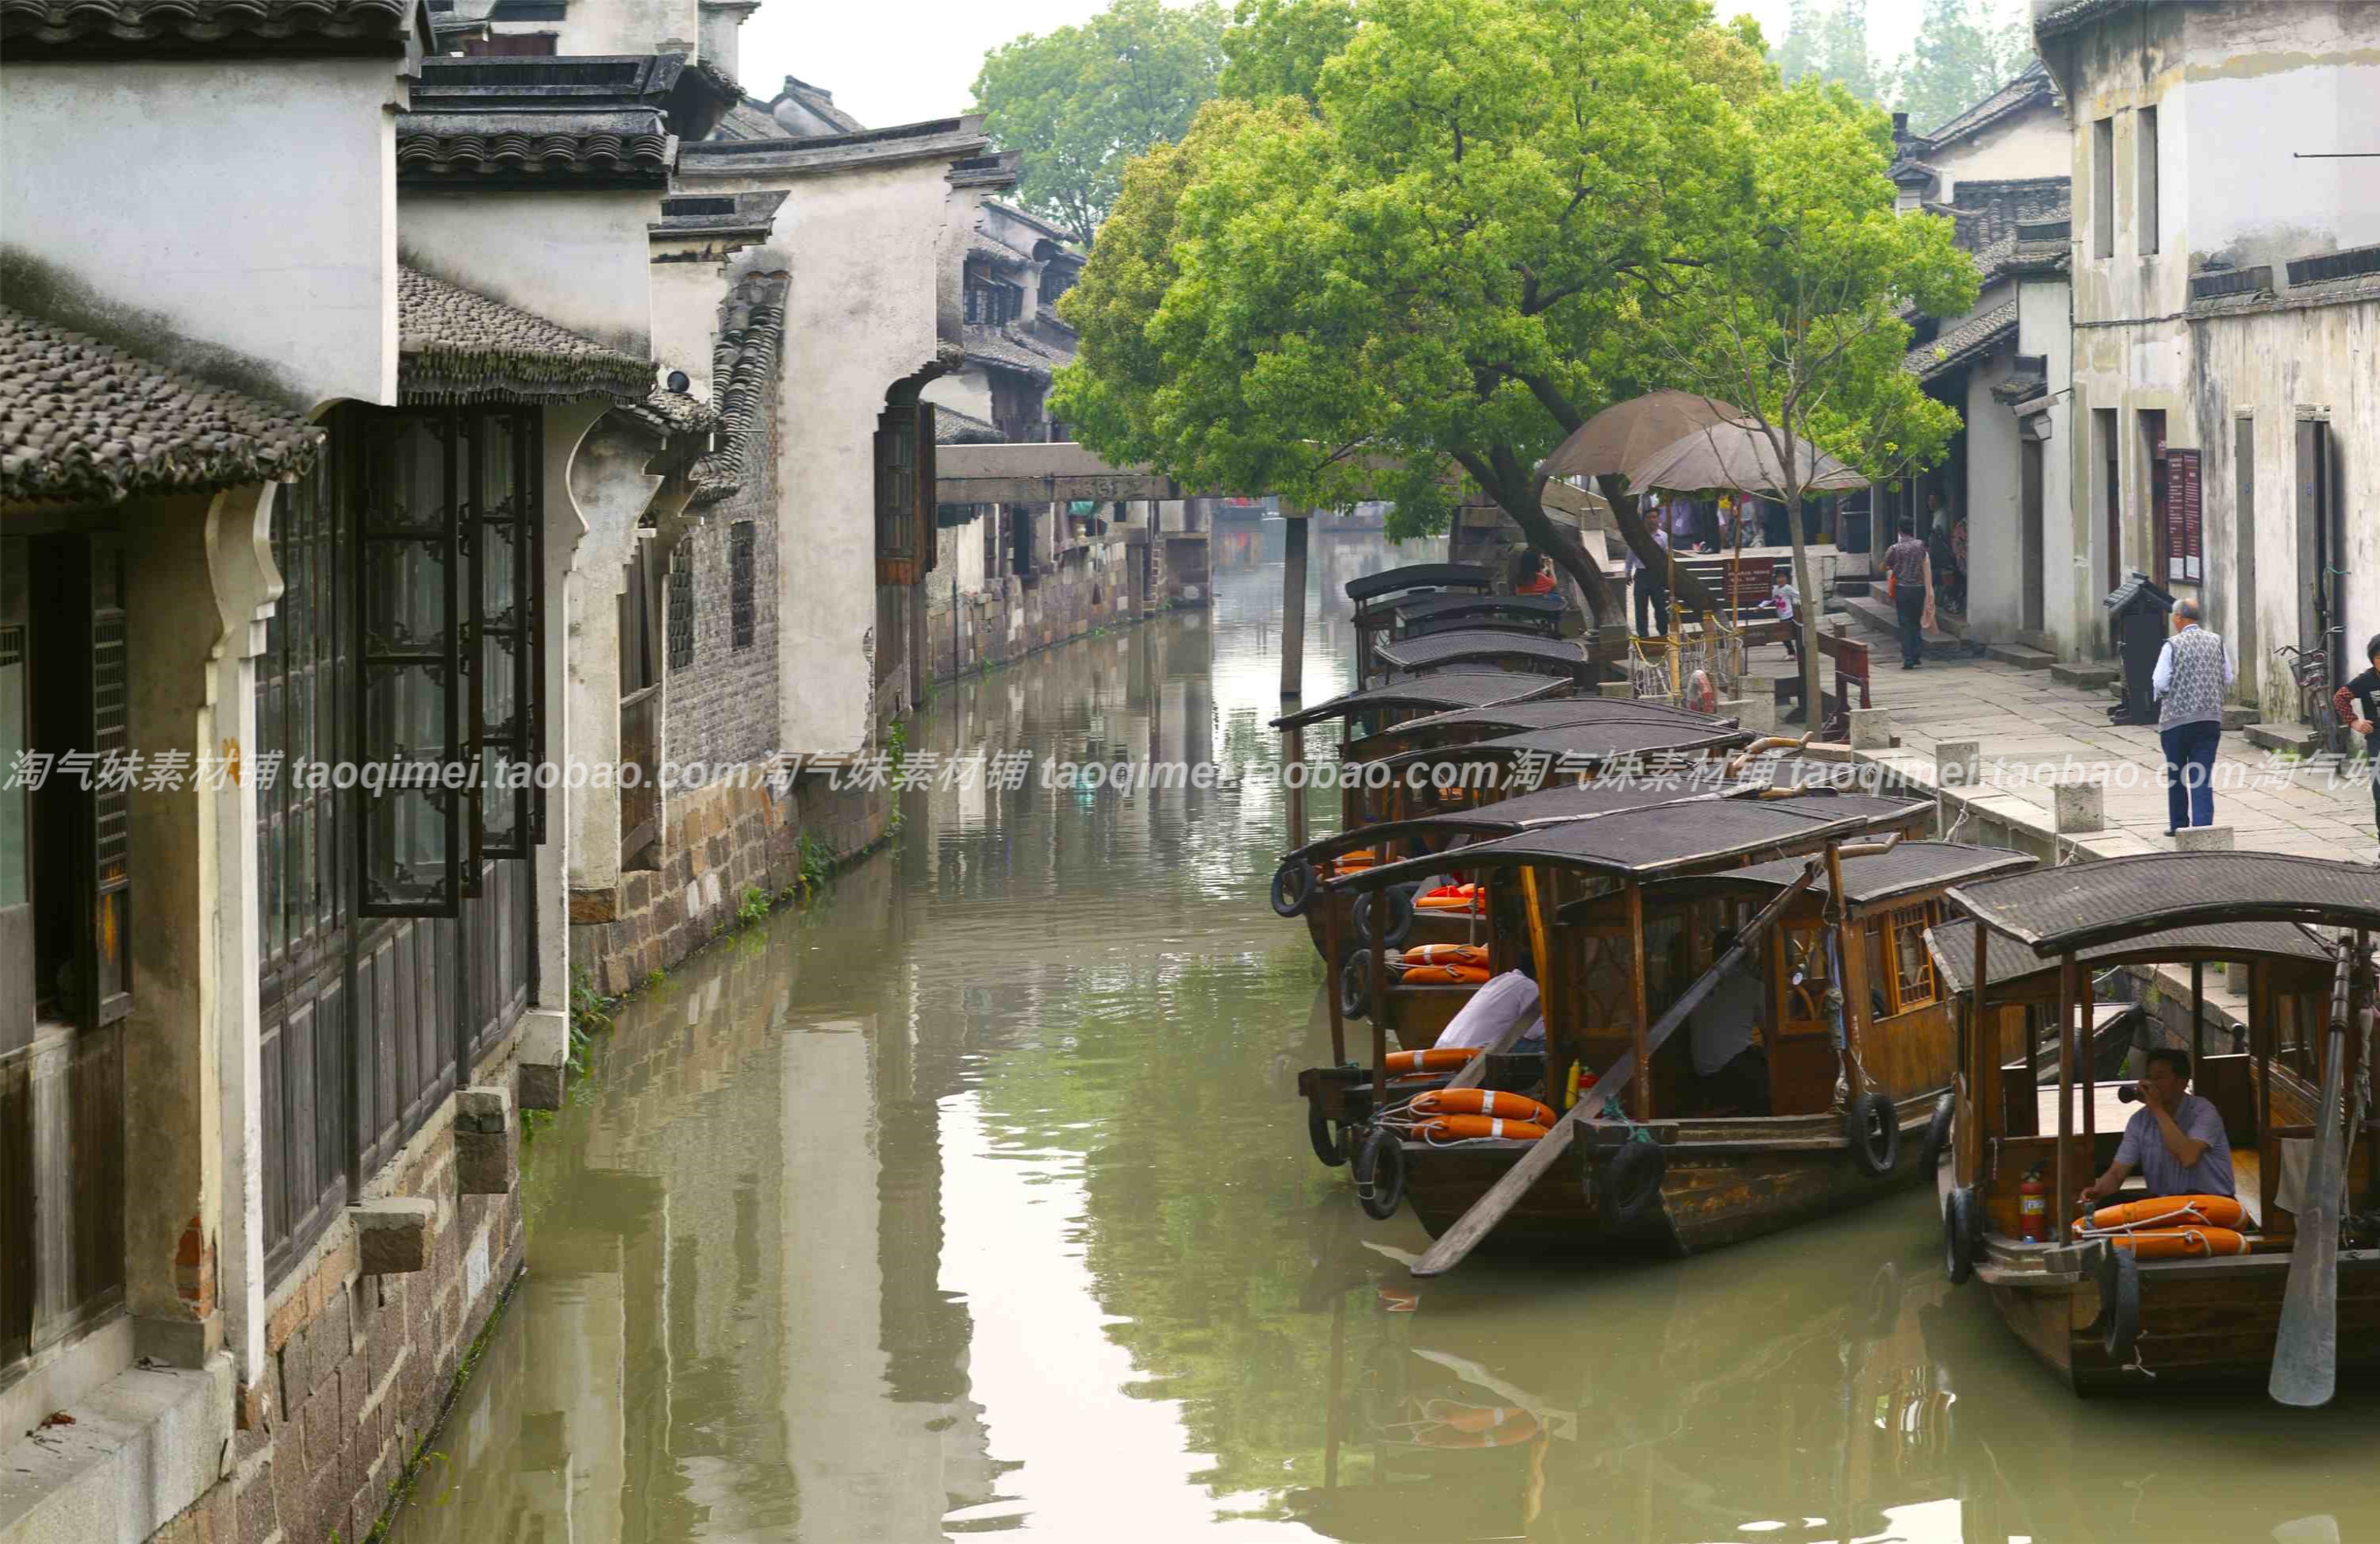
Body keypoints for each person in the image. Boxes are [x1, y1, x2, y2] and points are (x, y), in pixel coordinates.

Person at [2077, 1048, 2236, 1208]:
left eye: (2159, 1078)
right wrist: (2098, 1191)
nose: (2152, 1084)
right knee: (2109, 1203)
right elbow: (2117, 1174)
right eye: (2149, 1077)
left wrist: (2157, 1109)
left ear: (2182, 1082)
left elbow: (2188, 1157)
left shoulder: (2204, 1111)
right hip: (2166, 1204)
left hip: (2211, 1203)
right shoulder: (2139, 1121)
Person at [2152, 597, 2233, 834]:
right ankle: (2202, 827)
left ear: (2178, 617)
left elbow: (2160, 681)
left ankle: (2179, 825)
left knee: (2176, 774)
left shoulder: (2172, 645)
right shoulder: (2216, 641)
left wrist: (2165, 695)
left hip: (2176, 721)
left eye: (2173, 617)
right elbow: (2228, 677)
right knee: (2202, 774)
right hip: (2209, 719)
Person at [1690, 928, 1770, 1116]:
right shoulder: (1752, 987)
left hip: (1701, 1072)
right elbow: (1773, 1033)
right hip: (1733, 1074)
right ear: (1747, 955)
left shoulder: (1699, 985)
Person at [2333, 632, 2380, 866]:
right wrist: (2355, 722)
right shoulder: (2366, 680)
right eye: (2379, 657)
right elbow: (2340, 698)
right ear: (2373, 659)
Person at [1883, 519, 1932, 670]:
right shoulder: (1920, 545)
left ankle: (1908, 658)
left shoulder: (1895, 548)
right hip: (1918, 589)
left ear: (1899, 530)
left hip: (1902, 589)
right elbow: (1925, 562)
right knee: (1916, 621)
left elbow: (1884, 566)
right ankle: (1916, 654)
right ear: (1913, 529)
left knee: (1905, 623)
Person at [1625, 523, 1671, 638]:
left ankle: (1663, 632)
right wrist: (1628, 571)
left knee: (1660, 606)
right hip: (1641, 574)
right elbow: (1630, 555)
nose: (1652, 521)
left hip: (1657, 575)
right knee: (1640, 607)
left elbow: (1666, 555)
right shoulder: (1637, 538)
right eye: (1649, 518)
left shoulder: (1663, 536)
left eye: (1654, 517)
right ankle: (1643, 635)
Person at [1766, 563, 1801, 659]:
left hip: (1790, 615)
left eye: (1783, 577)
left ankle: (1795, 653)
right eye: (1778, 577)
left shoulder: (1787, 588)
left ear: (1787, 578)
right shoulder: (1775, 590)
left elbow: (1797, 594)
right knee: (1784, 637)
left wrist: (1809, 600)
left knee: (1792, 635)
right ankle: (1792, 653)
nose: (1781, 579)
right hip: (1782, 617)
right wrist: (1760, 606)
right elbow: (1769, 599)